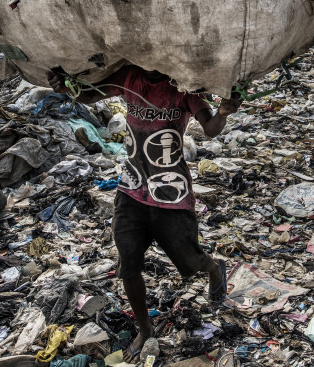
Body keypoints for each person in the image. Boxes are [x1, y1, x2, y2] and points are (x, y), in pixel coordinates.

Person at [47, 65, 241, 363]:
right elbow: (88, 96)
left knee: (189, 261)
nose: (151, 64)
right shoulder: (128, 76)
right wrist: (66, 87)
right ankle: (145, 327)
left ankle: (214, 268)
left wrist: (224, 112)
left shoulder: (184, 86)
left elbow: (210, 127)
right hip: (133, 186)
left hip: (171, 190)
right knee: (128, 261)